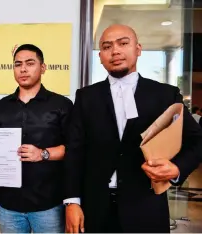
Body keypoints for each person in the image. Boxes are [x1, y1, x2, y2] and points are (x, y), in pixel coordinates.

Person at [64, 24, 202, 233]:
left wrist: (177, 169)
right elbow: (74, 151)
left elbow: (197, 141)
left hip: (145, 205)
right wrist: (72, 201)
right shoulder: (86, 97)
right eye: (107, 46)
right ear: (100, 56)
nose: (115, 51)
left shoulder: (165, 95)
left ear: (138, 49)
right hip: (95, 207)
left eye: (123, 43)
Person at [0, 44, 73, 233]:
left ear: (43, 68)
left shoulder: (61, 104)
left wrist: (43, 154)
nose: (23, 69)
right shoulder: (2, 106)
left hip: (48, 205)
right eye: (18, 64)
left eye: (30, 63)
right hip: (8, 205)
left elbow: (75, 148)